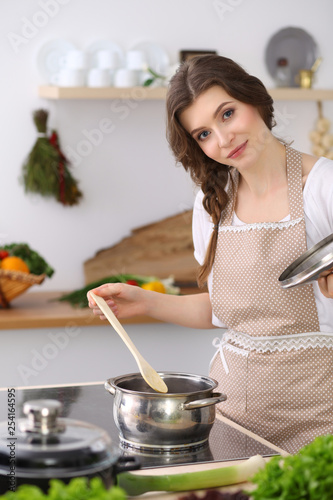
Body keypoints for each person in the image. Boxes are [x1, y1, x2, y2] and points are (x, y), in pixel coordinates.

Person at [88, 55, 333, 454]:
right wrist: (145, 302)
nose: (223, 140)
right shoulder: (211, 204)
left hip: (320, 418)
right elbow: (223, 312)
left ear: (255, 100)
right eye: (202, 134)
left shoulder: (323, 187)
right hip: (233, 418)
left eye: (228, 114)